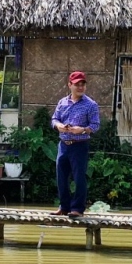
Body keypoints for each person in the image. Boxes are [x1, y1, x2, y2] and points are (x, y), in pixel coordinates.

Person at [51, 71, 100, 216]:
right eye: (77, 84)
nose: (80, 87)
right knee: (61, 178)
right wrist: (58, 126)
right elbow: (54, 119)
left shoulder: (91, 104)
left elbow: (96, 125)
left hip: (79, 145)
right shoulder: (62, 102)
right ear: (69, 85)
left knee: (79, 178)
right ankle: (64, 207)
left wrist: (83, 130)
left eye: (82, 84)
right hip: (63, 144)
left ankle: (78, 209)